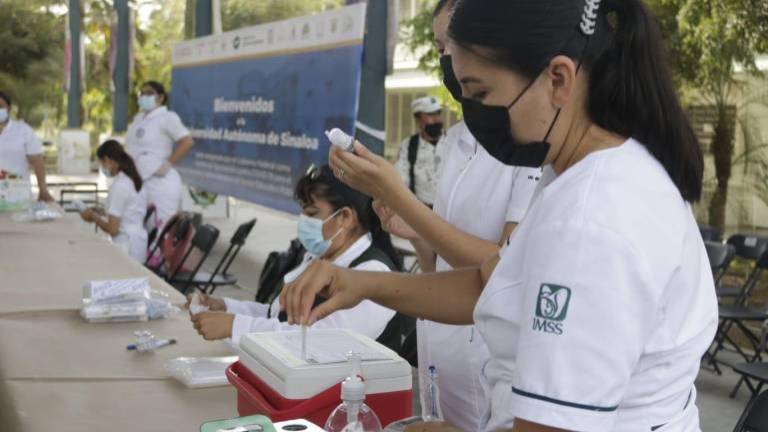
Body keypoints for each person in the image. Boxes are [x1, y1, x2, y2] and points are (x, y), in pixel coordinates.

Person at [281, 0, 719, 431]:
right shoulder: (579, 175)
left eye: (482, 94)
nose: (475, 115)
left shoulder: (591, 219)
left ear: (559, 79)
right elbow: (493, 282)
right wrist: (361, 282)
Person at [326, 0, 540, 429]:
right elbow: (438, 265)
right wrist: (416, 233)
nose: (448, 62)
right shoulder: (457, 142)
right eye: (440, 47)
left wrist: (397, 195)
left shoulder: (531, 150)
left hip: (490, 355)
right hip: (441, 349)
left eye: (453, 46)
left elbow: (504, 271)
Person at [189, 165, 404, 349]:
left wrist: (234, 326)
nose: (303, 222)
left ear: (345, 217)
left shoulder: (373, 273)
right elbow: (279, 316)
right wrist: (225, 307)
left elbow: (320, 343)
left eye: (311, 214)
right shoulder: (318, 257)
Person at [125, 81, 193, 226]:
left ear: (161, 98)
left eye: (149, 93)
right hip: (138, 182)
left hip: (159, 183)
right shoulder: (138, 119)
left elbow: (187, 141)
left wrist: (168, 164)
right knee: (140, 230)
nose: (144, 96)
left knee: (159, 230)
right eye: (142, 93)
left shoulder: (167, 117)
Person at [79, 140, 148, 263]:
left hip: (127, 245)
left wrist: (93, 217)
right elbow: (128, 211)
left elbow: (112, 229)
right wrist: (101, 211)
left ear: (107, 160)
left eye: (102, 164)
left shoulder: (120, 185)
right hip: (137, 241)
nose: (103, 169)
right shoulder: (132, 179)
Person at [0, 91, 53, 202]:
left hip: (18, 197)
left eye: (1, 106)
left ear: (8, 109)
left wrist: (43, 190)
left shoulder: (23, 130)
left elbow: (37, 161)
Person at [394, 96, 444, 207]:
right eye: (430, 115)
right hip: (423, 212)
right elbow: (401, 181)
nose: (436, 119)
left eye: (438, 113)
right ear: (418, 120)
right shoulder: (408, 146)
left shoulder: (453, 142)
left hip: (451, 213)